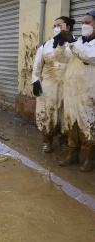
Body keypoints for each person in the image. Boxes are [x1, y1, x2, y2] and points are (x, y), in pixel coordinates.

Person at [53, 10, 95, 172]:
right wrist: (61, 44)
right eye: (83, 23)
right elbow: (61, 58)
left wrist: (71, 43)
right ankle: (72, 154)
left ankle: (89, 159)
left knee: (87, 124)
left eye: (88, 22)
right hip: (71, 92)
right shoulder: (79, 42)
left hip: (88, 93)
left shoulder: (83, 45)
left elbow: (89, 56)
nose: (84, 26)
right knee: (71, 122)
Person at [31, 16, 75, 153]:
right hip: (48, 87)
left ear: (67, 27)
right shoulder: (45, 45)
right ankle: (47, 141)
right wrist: (35, 81)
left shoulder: (75, 45)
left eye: (59, 25)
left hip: (67, 86)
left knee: (65, 114)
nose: (56, 28)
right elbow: (37, 67)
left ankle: (64, 140)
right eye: (54, 26)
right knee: (47, 114)